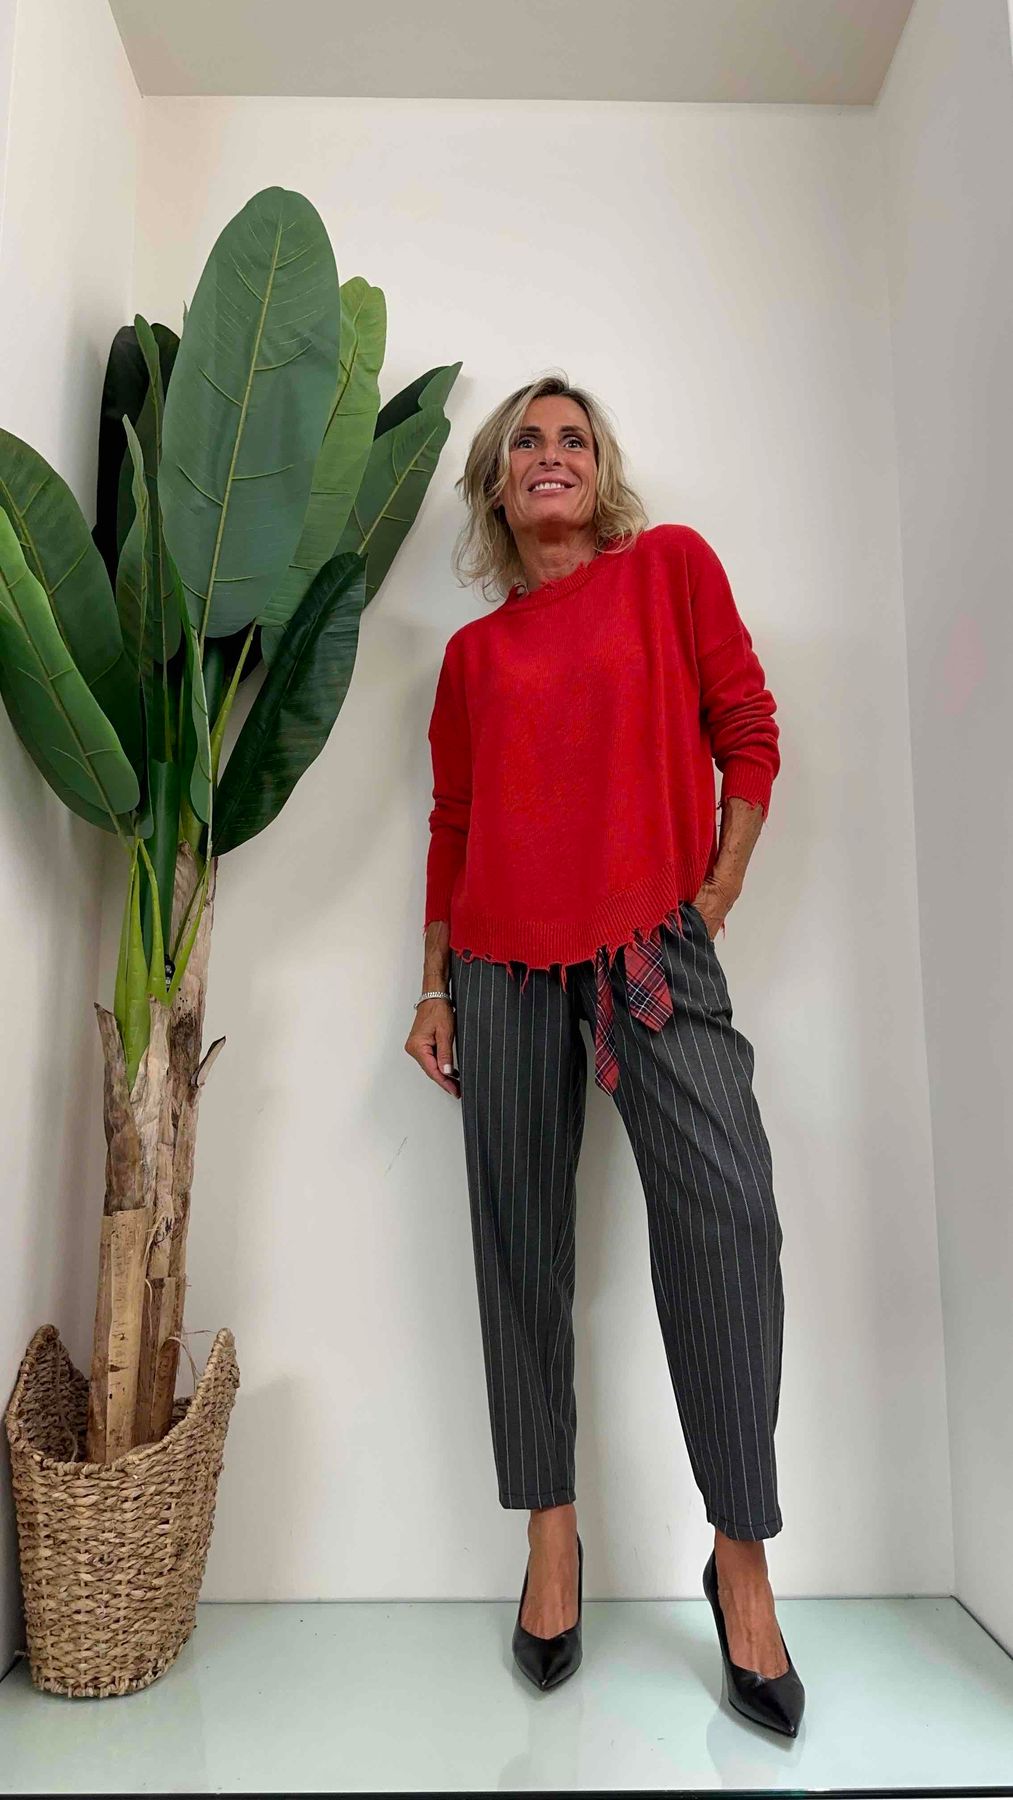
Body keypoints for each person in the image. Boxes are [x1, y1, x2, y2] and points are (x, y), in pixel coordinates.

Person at [404, 373, 804, 1738]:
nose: (551, 453)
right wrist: (432, 985)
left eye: (573, 438)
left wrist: (717, 891)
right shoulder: (472, 659)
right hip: (501, 964)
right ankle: (552, 1541)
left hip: (650, 946)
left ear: (601, 472)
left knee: (728, 1219)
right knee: (518, 1245)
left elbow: (748, 731)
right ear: (496, 483)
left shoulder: (667, 570)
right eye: (526, 440)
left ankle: (740, 1561)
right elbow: (452, 826)